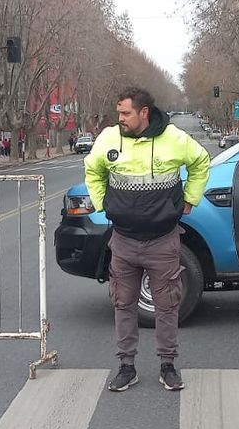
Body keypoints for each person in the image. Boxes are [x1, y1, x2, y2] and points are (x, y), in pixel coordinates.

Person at [85, 87, 210, 393]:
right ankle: (126, 367)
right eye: (119, 113)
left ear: (144, 112)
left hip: (163, 240)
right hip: (124, 241)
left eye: (125, 113)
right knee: (123, 304)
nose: (120, 119)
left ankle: (168, 366)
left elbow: (201, 162)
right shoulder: (108, 138)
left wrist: (190, 199)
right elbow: (93, 169)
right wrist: (105, 205)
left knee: (167, 307)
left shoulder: (174, 138)